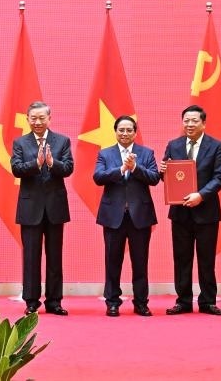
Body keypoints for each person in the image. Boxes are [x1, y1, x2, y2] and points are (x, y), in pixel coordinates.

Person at [160, 104, 221, 316]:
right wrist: (163, 171)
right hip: (180, 212)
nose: (189, 124)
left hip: (206, 211)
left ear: (203, 123)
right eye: (186, 121)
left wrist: (201, 195)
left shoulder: (216, 146)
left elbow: (220, 177)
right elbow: (168, 176)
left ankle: (207, 301)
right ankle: (183, 301)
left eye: (194, 121)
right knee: (181, 259)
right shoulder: (173, 145)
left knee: (206, 259)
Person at [11, 101, 74, 316]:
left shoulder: (62, 141)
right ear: (27, 119)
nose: (37, 122)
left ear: (49, 118)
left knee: (55, 257)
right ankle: (31, 301)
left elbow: (68, 168)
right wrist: (36, 164)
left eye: (42, 118)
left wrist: (51, 162)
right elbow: (16, 169)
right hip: (30, 207)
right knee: (31, 257)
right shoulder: (20, 143)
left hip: (55, 207)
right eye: (33, 118)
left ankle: (54, 301)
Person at [93, 115, 159, 317]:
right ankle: (112, 302)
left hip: (140, 216)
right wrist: (121, 169)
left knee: (140, 262)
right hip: (113, 216)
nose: (125, 133)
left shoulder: (147, 153)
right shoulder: (105, 154)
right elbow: (98, 177)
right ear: (115, 132)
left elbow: (154, 178)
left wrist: (135, 168)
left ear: (135, 132)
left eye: (129, 130)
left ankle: (141, 303)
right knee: (112, 262)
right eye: (121, 130)